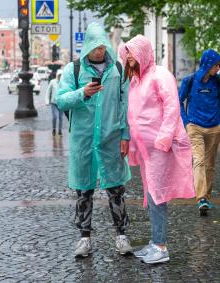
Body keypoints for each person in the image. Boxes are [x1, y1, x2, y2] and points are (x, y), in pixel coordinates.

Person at [56, 22, 132, 258]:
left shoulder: (118, 69)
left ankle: (121, 235)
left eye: (102, 46)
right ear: (87, 46)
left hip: (110, 139)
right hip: (84, 140)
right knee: (84, 191)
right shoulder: (74, 70)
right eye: (95, 47)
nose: (99, 51)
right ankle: (84, 238)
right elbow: (61, 100)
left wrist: (125, 135)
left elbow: (124, 105)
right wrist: (82, 93)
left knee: (116, 189)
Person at [119, 35, 195, 264]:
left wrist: (163, 139)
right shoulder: (135, 81)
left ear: (142, 51)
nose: (129, 56)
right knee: (151, 194)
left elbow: (172, 107)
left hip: (159, 148)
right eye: (126, 53)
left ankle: (161, 247)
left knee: (157, 194)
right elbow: (134, 113)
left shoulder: (160, 76)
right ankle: (155, 242)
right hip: (145, 149)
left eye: (132, 52)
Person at [178, 49, 220, 216]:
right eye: (216, 65)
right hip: (195, 127)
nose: (218, 68)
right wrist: (186, 123)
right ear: (207, 64)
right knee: (198, 161)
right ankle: (201, 199)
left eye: (219, 65)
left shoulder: (219, 81)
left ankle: (206, 196)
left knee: (210, 164)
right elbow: (178, 102)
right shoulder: (189, 81)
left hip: (214, 128)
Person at [45, 69, 63, 136]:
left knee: (61, 117)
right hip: (54, 103)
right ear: (57, 75)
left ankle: (60, 130)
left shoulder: (64, 83)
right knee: (55, 116)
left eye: (61, 75)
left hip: (61, 103)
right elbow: (48, 92)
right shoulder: (52, 82)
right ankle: (54, 129)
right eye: (59, 75)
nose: (60, 77)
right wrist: (47, 101)